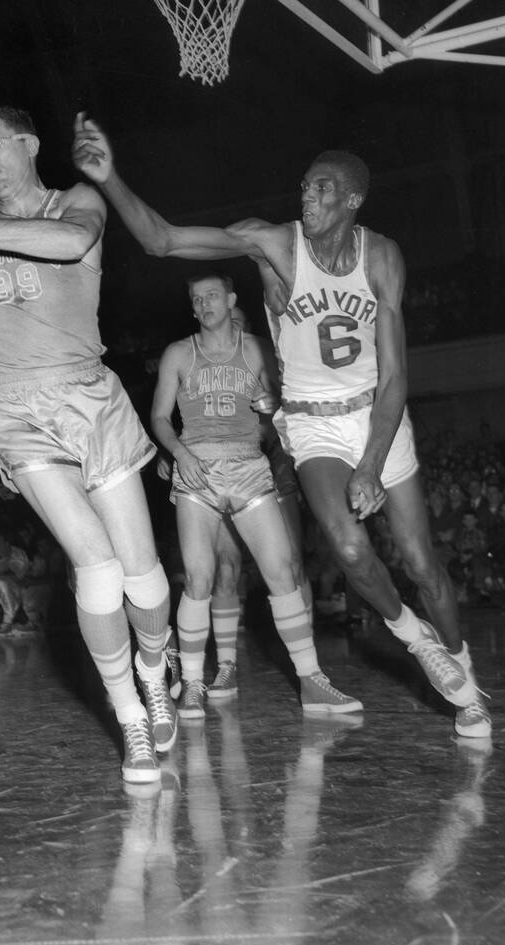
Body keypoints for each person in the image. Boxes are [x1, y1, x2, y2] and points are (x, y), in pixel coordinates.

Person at [73, 116, 489, 738]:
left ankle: (465, 677)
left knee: (424, 564)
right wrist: (111, 179)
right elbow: (162, 240)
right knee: (349, 550)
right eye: (304, 187)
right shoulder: (271, 245)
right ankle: (414, 638)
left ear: (352, 199)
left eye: (323, 190)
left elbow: (397, 375)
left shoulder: (381, 255)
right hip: (314, 427)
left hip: (378, 416)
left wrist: (373, 463)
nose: (308, 198)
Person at [0, 105, 177, 786]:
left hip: (86, 394)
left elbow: (73, 243)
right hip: (13, 406)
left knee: (142, 572)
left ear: (29, 144)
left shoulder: (73, 201)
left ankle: (154, 668)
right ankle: (130, 719)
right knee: (96, 565)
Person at [151, 272, 361, 719]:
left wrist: (274, 404)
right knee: (200, 577)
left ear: (230, 300)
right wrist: (178, 453)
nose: (203, 303)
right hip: (199, 471)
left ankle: (311, 681)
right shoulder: (177, 353)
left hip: (249, 466)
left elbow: (288, 405)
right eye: (195, 297)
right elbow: (159, 418)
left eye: (211, 295)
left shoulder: (258, 349)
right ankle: (192, 685)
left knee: (282, 570)